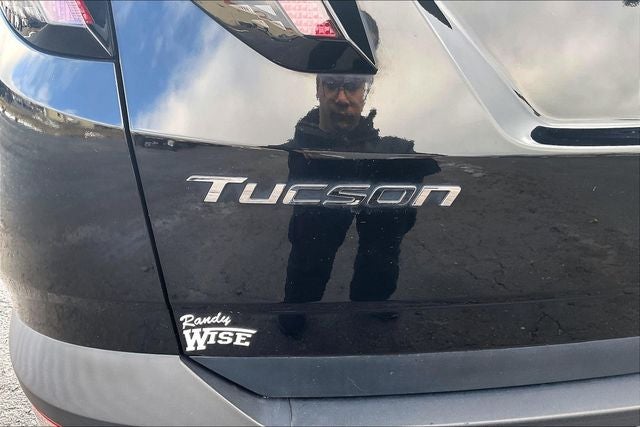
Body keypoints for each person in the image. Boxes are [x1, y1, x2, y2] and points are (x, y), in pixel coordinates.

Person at [278, 71, 441, 338]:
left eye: (352, 86)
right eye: (332, 85)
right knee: (312, 242)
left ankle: (372, 299)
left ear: (366, 90)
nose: (342, 98)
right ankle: (298, 305)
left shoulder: (393, 121)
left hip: (381, 154)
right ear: (318, 87)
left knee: (384, 241)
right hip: (322, 156)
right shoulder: (305, 135)